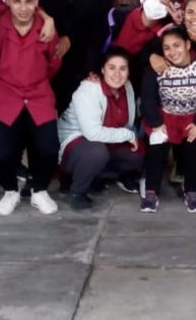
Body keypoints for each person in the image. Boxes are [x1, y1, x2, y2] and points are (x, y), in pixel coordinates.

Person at [0, 0, 62, 217]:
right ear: (7, 1)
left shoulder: (45, 30)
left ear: (37, 1)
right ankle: (10, 190)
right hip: (6, 97)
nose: (23, 8)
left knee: (47, 148)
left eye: (28, 1)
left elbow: (53, 65)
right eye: (17, 1)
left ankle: (39, 189)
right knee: (4, 152)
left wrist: (47, 18)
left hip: (39, 95)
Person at [140, 26, 196, 213]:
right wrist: (157, 124)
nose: (172, 51)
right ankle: (151, 192)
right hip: (164, 116)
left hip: (193, 115)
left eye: (177, 45)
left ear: (187, 44)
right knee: (156, 148)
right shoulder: (158, 66)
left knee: (194, 149)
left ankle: (192, 191)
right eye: (167, 48)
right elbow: (148, 98)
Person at [57, 47, 144, 211]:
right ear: (102, 69)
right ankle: (76, 191)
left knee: (137, 154)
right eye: (111, 68)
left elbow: (127, 122)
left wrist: (129, 136)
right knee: (96, 152)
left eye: (123, 68)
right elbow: (92, 133)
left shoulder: (128, 87)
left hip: (105, 141)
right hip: (78, 144)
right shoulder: (89, 89)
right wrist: (127, 134)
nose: (117, 74)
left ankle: (94, 176)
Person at [36, 0, 110, 113]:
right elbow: (28, 13)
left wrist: (71, 40)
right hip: (42, 65)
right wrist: (48, 20)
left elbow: (99, 33)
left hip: (76, 69)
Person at [114, 0, 180, 57]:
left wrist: (178, 23)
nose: (157, 3)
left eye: (163, 2)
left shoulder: (163, 32)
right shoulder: (121, 15)